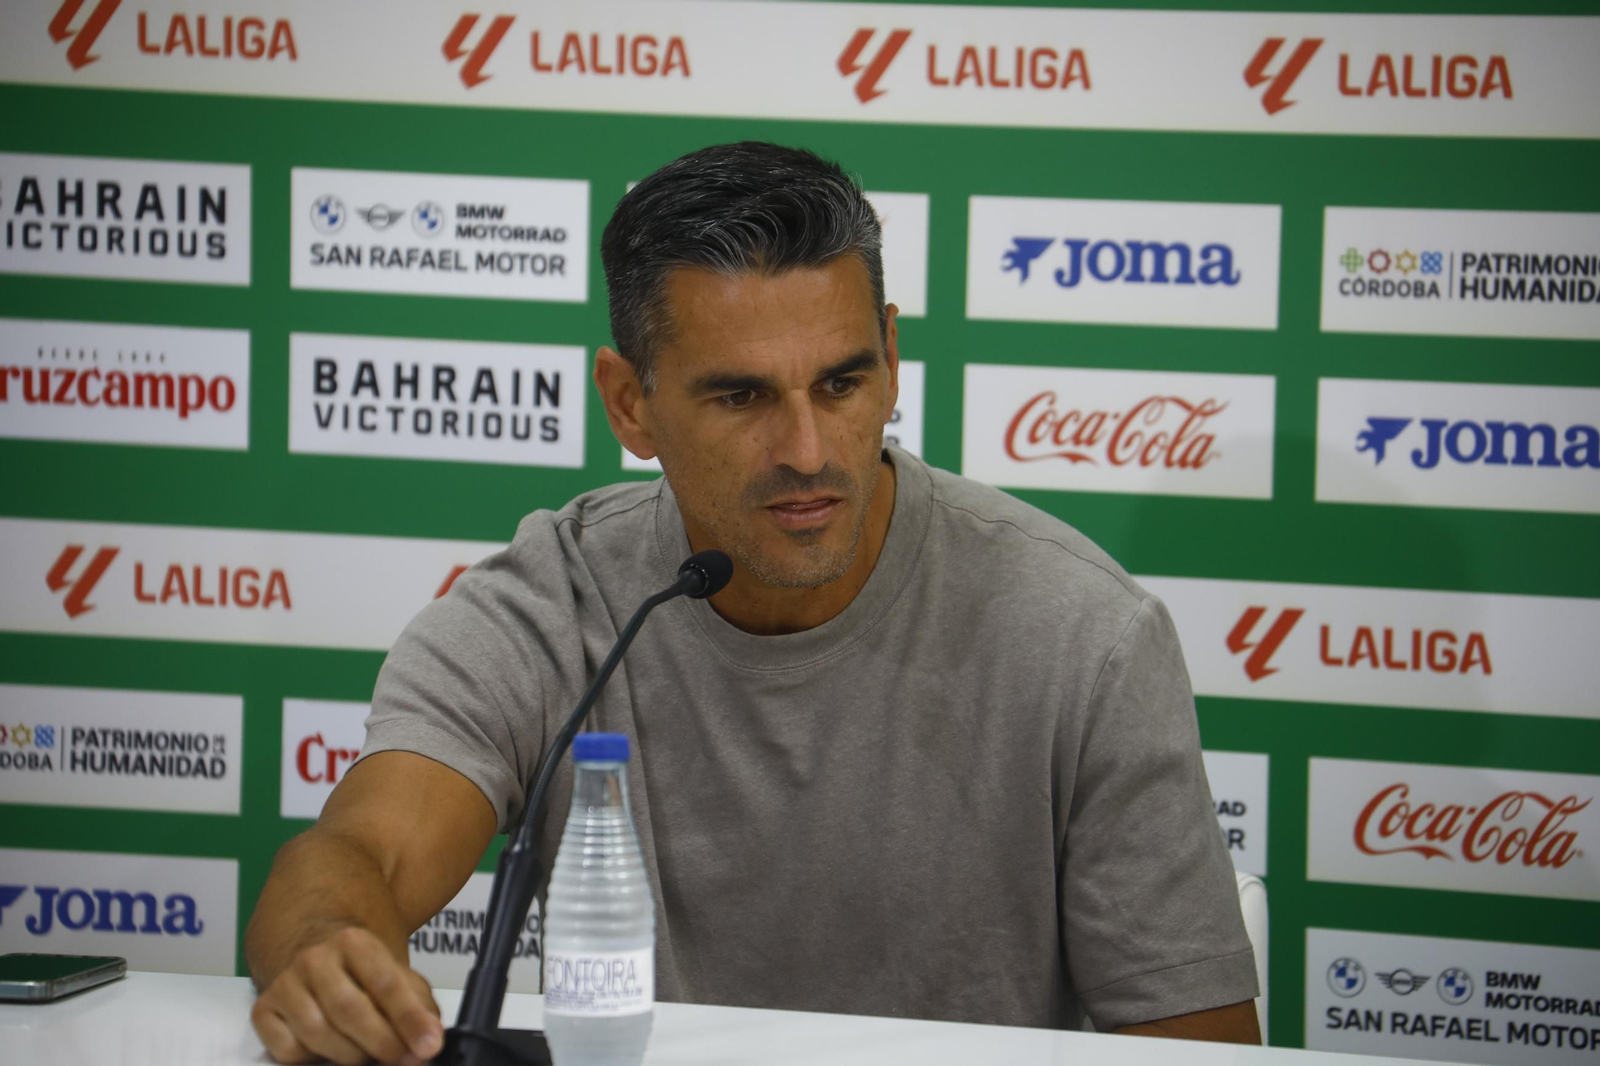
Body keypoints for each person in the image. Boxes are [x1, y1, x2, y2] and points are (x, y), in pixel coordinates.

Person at [246, 142, 1261, 1066]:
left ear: (891, 356)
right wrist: (326, 949)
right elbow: (358, 852)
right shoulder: (552, 604)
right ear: (629, 402)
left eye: (841, 383)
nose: (807, 453)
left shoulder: (1082, 631)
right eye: (740, 397)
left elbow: (1200, 1046)